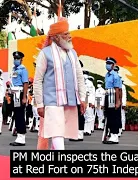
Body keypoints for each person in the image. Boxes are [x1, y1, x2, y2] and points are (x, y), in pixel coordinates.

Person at [33, 17, 86, 150]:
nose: (69, 36)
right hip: (51, 102)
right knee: (56, 134)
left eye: (69, 33)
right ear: (56, 37)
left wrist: (83, 98)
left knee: (61, 134)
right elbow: (38, 80)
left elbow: (79, 76)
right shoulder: (45, 53)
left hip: (70, 101)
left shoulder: (73, 53)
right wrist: (39, 104)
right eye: (66, 34)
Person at [9, 51, 29, 146]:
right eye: (15, 58)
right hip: (15, 94)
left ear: (21, 60)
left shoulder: (23, 70)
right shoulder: (14, 69)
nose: (16, 60)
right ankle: (18, 135)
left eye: (18, 59)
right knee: (17, 114)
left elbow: (25, 83)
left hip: (20, 93)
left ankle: (21, 137)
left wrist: (24, 97)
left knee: (20, 114)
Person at [103, 57, 121, 144]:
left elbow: (117, 89)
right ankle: (110, 134)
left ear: (113, 65)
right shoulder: (107, 75)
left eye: (109, 64)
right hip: (107, 96)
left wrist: (117, 101)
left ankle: (115, 136)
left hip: (113, 97)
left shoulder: (115, 75)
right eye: (107, 63)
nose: (108, 65)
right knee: (108, 116)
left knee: (114, 116)